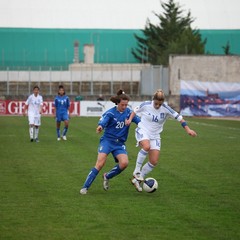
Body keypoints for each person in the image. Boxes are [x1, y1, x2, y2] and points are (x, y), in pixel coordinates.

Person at [126, 89, 197, 192]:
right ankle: (136, 171)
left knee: (153, 162)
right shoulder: (146, 105)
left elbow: (180, 118)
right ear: (153, 99)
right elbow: (134, 111)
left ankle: (137, 180)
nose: (158, 106)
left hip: (155, 135)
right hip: (143, 130)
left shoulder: (166, 109)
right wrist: (129, 119)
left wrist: (188, 129)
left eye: (160, 104)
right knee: (146, 147)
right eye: (156, 103)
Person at [80, 89, 140, 195]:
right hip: (107, 141)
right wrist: (100, 127)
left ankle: (107, 176)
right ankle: (85, 187)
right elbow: (103, 122)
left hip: (119, 144)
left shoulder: (129, 113)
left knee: (124, 163)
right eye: (123, 105)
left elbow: (140, 122)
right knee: (100, 163)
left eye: (126, 105)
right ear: (118, 103)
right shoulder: (110, 113)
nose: (125, 107)